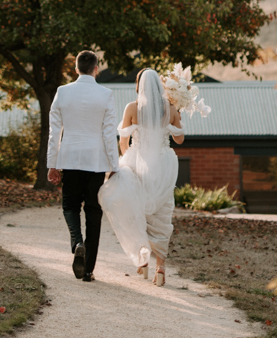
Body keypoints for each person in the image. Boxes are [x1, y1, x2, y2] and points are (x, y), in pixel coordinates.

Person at [98, 68, 184, 287]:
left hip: (137, 162)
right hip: (163, 165)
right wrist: (177, 118)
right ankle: (161, 268)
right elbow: (180, 139)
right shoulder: (170, 108)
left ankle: (143, 262)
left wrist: (125, 159)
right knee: (163, 213)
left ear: (138, 86)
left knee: (135, 210)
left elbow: (123, 139)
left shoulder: (132, 108)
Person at [47, 50, 119, 282]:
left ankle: (77, 242)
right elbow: (109, 134)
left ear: (76, 69)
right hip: (96, 161)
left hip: (69, 157)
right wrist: (113, 164)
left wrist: (52, 164)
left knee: (70, 205)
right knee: (93, 212)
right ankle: (88, 270)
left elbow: (54, 132)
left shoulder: (62, 92)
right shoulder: (106, 94)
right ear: (96, 69)